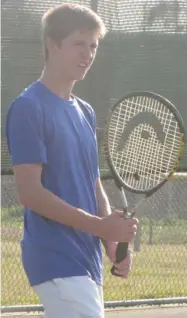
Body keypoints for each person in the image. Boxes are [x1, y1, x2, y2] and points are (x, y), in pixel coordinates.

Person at [5, 3, 138, 318]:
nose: (88, 54)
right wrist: (100, 226)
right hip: (55, 258)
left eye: (93, 45)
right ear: (52, 43)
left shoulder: (85, 112)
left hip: (86, 260)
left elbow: (93, 183)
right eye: (79, 43)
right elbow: (30, 193)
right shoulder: (28, 107)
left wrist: (109, 237)